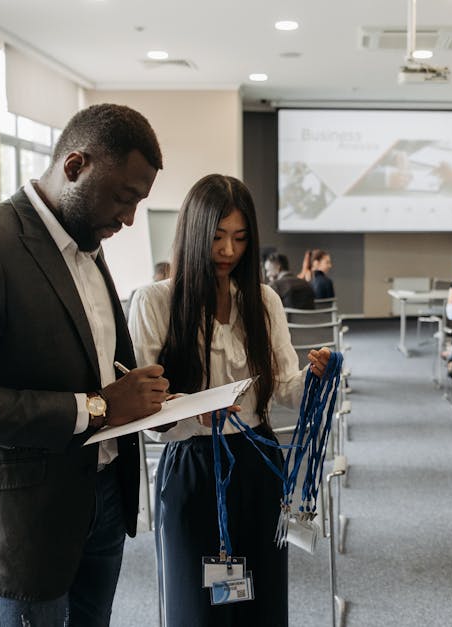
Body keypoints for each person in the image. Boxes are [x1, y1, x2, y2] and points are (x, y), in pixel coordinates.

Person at [0, 103, 172, 626]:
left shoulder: (88, 248)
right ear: (75, 166)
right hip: (21, 518)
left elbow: (82, 362)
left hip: (102, 499)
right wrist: (97, 407)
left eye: (139, 203)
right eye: (124, 198)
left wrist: (141, 392)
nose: (129, 218)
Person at [129, 174, 331, 625]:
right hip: (193, 466)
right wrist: (193, 412)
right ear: (193, 232)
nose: (227, 251)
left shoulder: (263, 301)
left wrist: (315, 379)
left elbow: (284, 390)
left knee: (259, 603)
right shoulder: (155, 302)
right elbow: (142, 410)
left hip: (258, 463)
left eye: (240, 239)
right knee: (198, 605)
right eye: (217, 237)